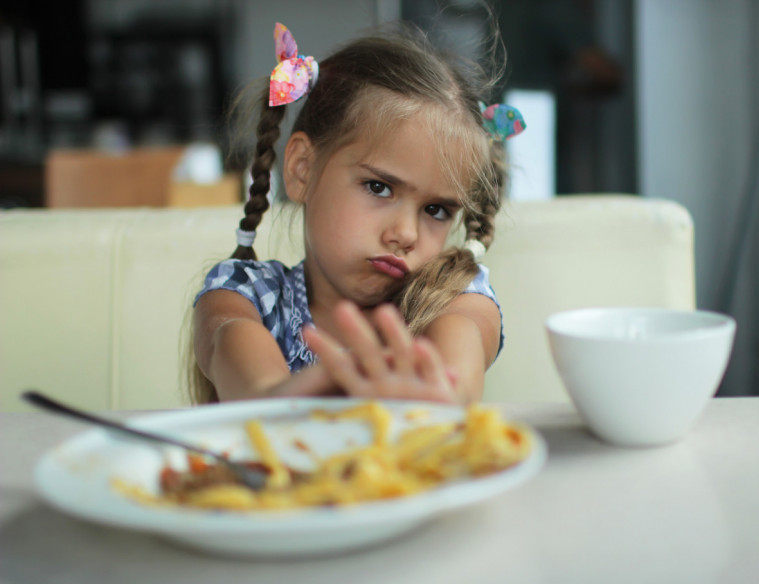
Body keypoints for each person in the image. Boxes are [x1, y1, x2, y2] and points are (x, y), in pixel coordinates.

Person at [190, 22, 525, 406]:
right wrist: (275, 399)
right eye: (379, 187)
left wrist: (443, 392)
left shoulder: (451, 300)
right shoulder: (246, 295)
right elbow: (229, 341)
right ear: (302, 169)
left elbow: (461, 353)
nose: (405, 234)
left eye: (436, 210)